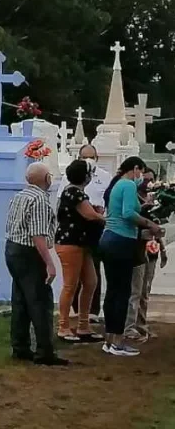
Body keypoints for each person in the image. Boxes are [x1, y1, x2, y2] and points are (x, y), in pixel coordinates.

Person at [5, 162, 68, 366]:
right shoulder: (39, 199)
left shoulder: (19, 196)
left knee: (21, 300)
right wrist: (50, 263)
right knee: (40, 301)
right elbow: (37, 235)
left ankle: (20, 346)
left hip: (13, 249)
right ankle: (44, 351)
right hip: (29, 253)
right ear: (47, 178)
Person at [99, 156, 162, 356]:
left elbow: (122, 211)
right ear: (135, 168)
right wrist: (149, 224)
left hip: (109, 239)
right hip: (121, 240)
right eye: (141, 172)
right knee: (122, 292)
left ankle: (110, 339)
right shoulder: (128, 185)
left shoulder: (118, 184)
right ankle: (118, 342)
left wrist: (143, 208)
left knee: (113, 292)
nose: (141, 177)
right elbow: (127, 214)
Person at [58, 144, 111, 320]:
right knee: (72, 283)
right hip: (73, 240)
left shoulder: (103, 177)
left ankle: (86, 317)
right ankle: (66, 321)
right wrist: (106, 220)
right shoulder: (74, 192)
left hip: (88, 238)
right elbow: (88, 214)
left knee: (91, 280)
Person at [124, 167, 167, 342]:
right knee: (135, 291)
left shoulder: (157, 202)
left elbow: (156, 228)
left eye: (151, 180)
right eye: (145, 180)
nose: (148, 183)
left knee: (145, 291)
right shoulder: (133, 201)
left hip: (151, 250)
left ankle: (141, 325)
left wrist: (163, 249)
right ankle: (129, 326)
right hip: (136, 250)